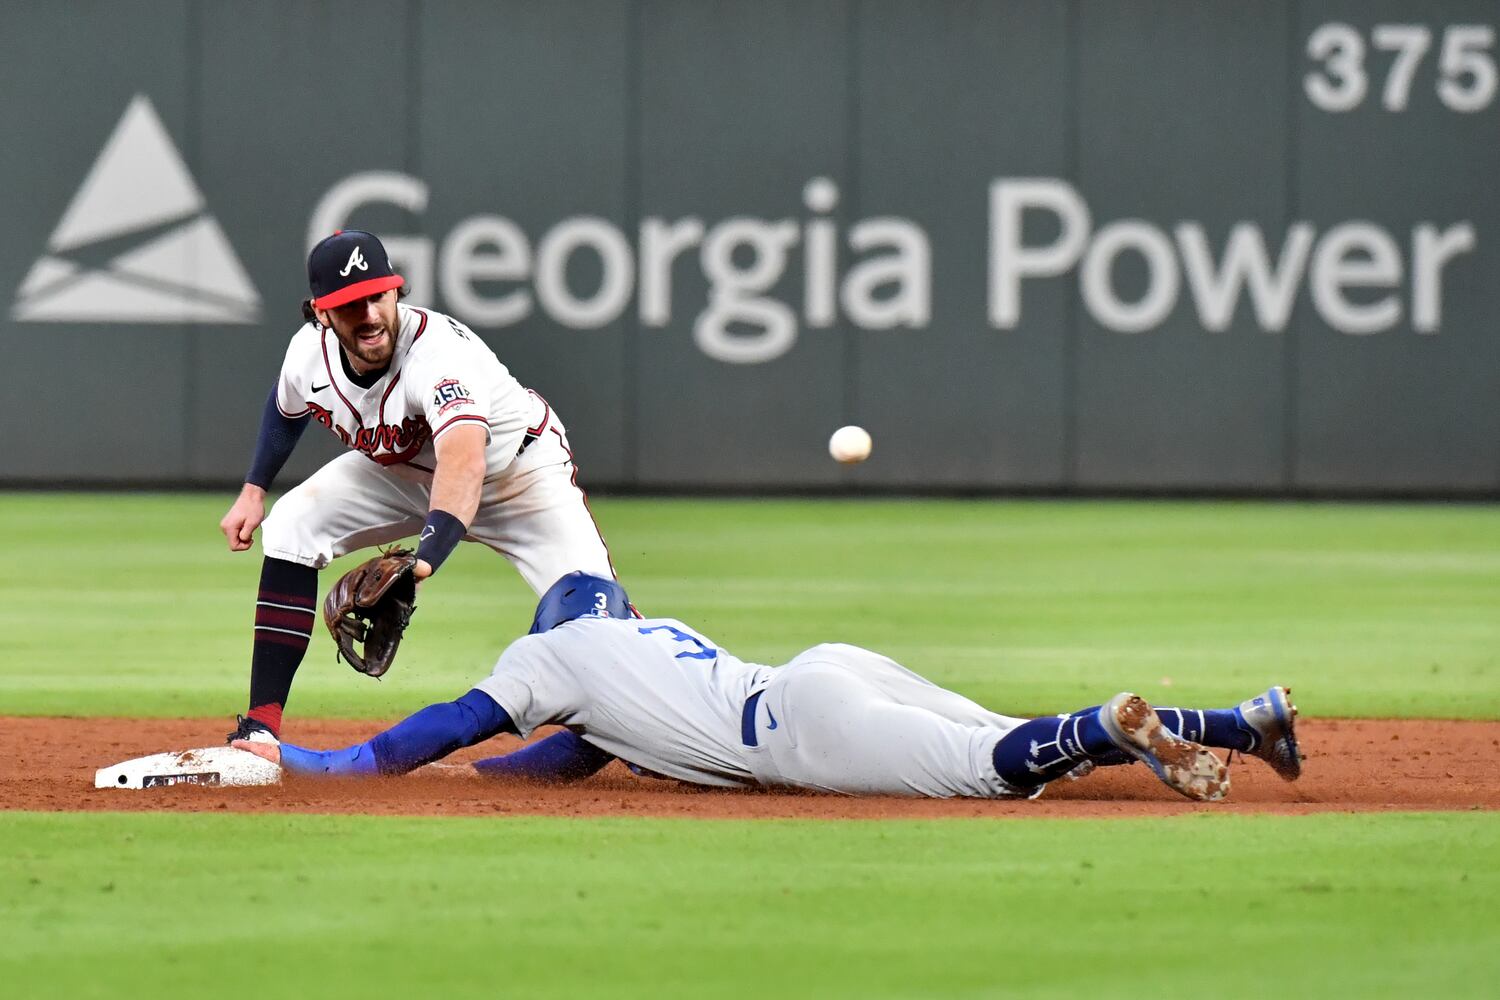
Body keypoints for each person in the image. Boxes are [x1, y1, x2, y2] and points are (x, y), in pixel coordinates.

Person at [233, 573, 1302, 802]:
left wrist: (332, 760)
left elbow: (455, 722)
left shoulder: (547, 661)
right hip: (818, 665)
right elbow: (576, 752)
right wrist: (498, 773)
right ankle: (1245, 725)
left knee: (994, 770)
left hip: (798, 733)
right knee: (1010, 732)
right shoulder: (646, 635)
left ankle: (1105, 721)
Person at [218, 231, 621, 745]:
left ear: (395, 291)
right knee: (292, 526)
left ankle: (655, 733)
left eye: (377, 296)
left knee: (604, 621)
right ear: (321, 313)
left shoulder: (440, 355)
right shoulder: (307, 355)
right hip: (401, 475)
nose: (368, 314)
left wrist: (423, 562)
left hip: (518, 478)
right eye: (348, 304)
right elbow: (285, 407)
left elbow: (463, 462)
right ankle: (260, 730)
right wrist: (254, 489)